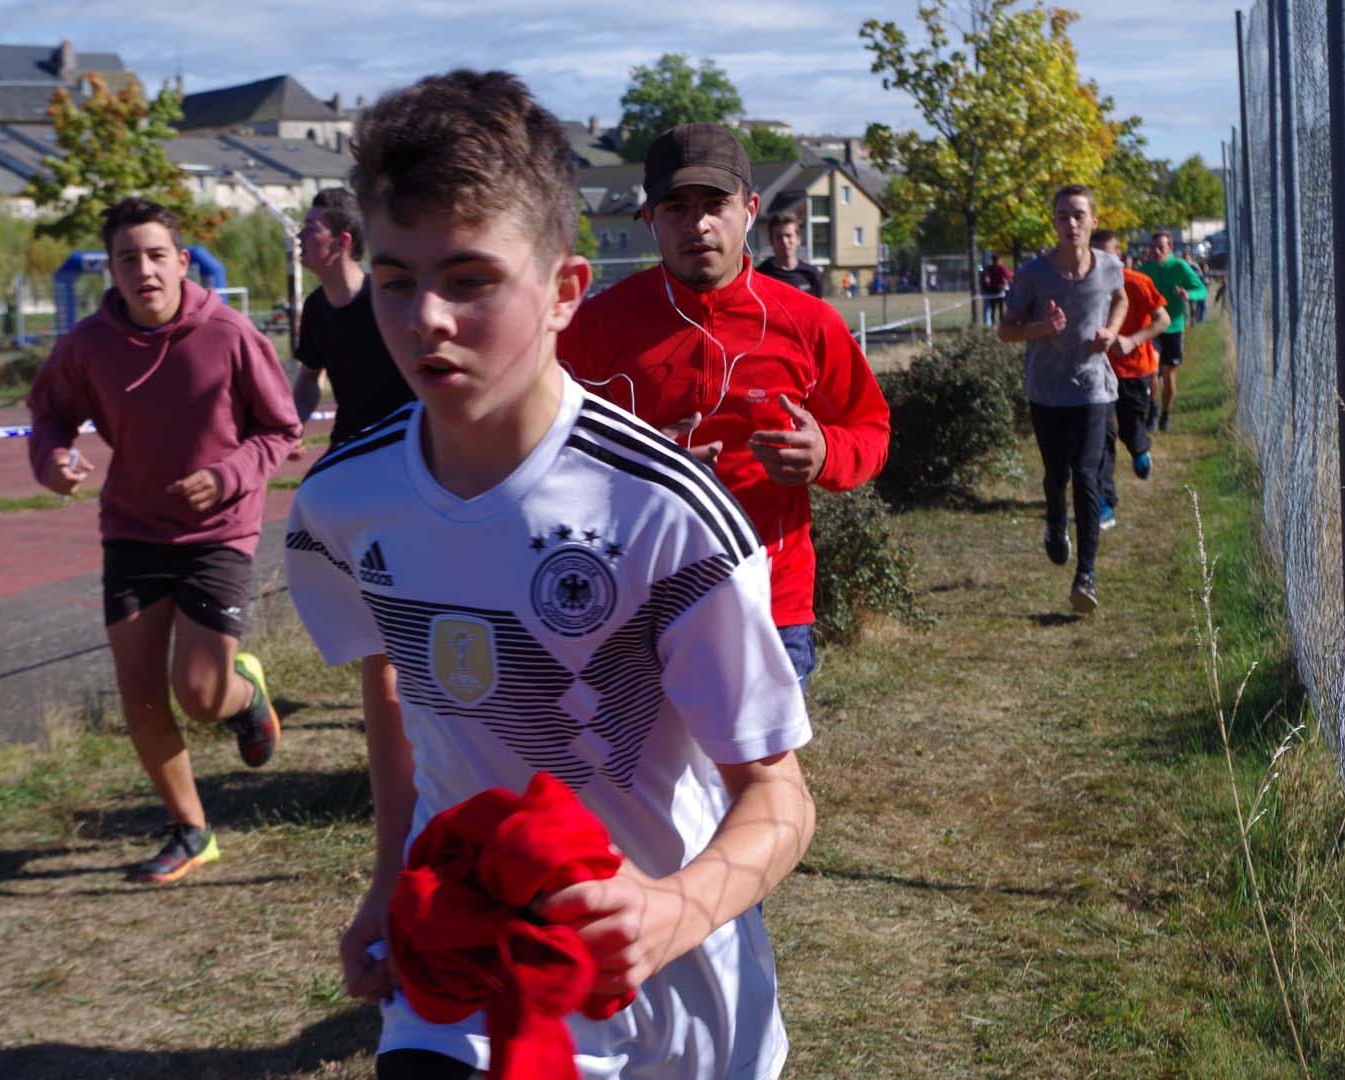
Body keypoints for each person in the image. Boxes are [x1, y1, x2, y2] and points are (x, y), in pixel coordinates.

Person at [283, 71, 816, 1080]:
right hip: (461, 978)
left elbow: (778, 796)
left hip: (667, 1003)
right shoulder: (345, 503)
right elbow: (394, 692)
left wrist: (670, 909)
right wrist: (387, 880)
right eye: (394, 280)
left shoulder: (664, 512)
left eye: (469, 279)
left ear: (566, 291)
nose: (425, 318)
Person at [28, 197, 302, 884]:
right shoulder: (87, 345)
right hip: (133, 528)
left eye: (156, 256)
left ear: (182, 262)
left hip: (218, 529)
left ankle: (244, 695)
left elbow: (281, 429)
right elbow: (49, 414)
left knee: (201, 695)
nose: (144, 270)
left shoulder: (231, 333)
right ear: (111, 270)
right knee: (141, 690)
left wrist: (227, 475)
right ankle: (190, 829)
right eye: (128, 259)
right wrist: (52, 461)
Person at [559, 122, 890, 691]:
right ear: (649, 219)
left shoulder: (808, 323)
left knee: (760, 756)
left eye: (716, 204)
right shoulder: (594, 326)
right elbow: (539, 450)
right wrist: (642, 472)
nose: (698, 225)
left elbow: (872, 429)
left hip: (770, 604)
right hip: (634, 602)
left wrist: (825, 453)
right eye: (676, 208)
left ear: (750, 209)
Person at [997, 185, 1127, 613]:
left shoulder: (1110, 267)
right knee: (1057, 474)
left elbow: (1120, 298)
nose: (1070, 223)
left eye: (1078, 215)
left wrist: (1111, 331)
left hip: (1093, 388)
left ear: (1093, 221)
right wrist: (1042, 328)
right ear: (1053, 223)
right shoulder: (1034, 274)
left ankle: (1085, 576)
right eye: (1062, 216)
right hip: (1047, 391)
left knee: (1087, 476)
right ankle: (1056, 522)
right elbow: (1006, 329)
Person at [292, 187, 417, 448]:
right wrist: (294, 425)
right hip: (349, 442)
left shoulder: (388, 298)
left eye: (311, 229)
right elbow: (309, 377)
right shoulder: (315, 307)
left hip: (403, 442)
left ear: (342, 241)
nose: (300, 236)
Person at [1092, 229, 1169, 529]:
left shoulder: (1137, 282)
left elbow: (1162, 319)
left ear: (1119, 255)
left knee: (1131, 427)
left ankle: (1139, 449)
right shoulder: (1085, 286)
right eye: (1095, 254)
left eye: (1107, 254)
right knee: (1101, 437)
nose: (1101, 260)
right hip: (1098, 372)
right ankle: (1105, 501)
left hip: (1135, 370)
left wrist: (1134, 340)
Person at [1137, 230, 1206, 432]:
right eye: (1153, 247)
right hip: (1151, 328)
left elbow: (1201, 289)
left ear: (1170, 248)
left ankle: (1165, 416)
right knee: (1151, 371)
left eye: (1161, 247)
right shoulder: (1145, 269)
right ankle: (1153, 409)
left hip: (1174, 327)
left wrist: (1188, 294)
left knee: (1169, 376)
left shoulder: (1180, 266)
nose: (1156, 251)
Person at [754, 212, 822, 298]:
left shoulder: (812, 274)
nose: (784, 241)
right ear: (771, 241)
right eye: (779, 237)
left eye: (788, 236)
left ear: (798, 239)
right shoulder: (760, 275)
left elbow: (818, 305)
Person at [981, 253, 1012, 327]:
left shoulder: (990, 268)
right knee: (1000, 308)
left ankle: (993, 324)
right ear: (999, 260)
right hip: (999, 290)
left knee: (993, 308)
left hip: (992, 291)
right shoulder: (1001, 267)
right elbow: (1008, 275)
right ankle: (1000, 324)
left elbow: (986, 278)